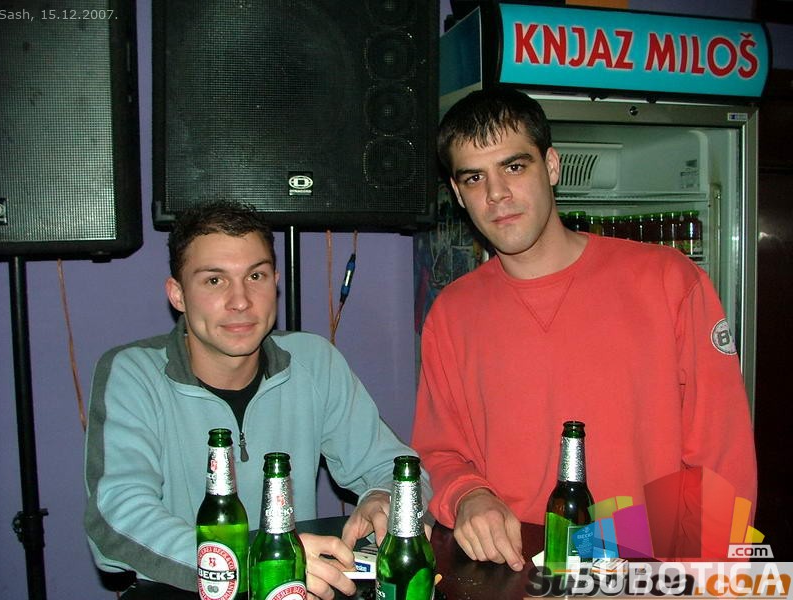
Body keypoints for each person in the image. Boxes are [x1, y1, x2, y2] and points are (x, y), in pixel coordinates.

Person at [411, 87, 757, 570]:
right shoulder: (452, 314)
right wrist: (469, 495)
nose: (496, 194)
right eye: (474, 177)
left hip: (646, 573)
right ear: (456, 192)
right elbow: (441, 453)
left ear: (551, 166)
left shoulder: (668, 282)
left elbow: (723, 470)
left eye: (514, 167)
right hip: (513, 575)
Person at [84, 201, 431, 600]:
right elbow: (117, 519)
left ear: (275, 282)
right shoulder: (133, 374)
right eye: (214, 280)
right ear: (178, 294)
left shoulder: (315, 362)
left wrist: (384, 497)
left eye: (256, 276)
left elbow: (397, 468)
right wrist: (259, 561)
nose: (241, 301)